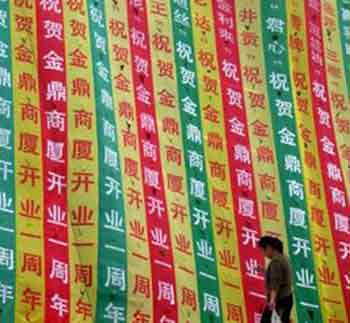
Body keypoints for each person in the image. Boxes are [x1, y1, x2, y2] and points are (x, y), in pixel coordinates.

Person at [258, 236, 293, 323]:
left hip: (279, 299)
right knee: (284, 320)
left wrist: (272, 300)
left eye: (263, 250)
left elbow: (275, 282)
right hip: (287, 297)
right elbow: (280, 276)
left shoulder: (275, 262)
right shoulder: (284, 258)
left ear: (269, 248)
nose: (264, 254)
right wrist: (265, 271)